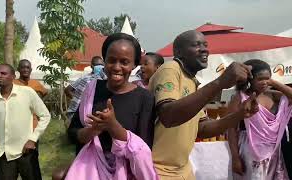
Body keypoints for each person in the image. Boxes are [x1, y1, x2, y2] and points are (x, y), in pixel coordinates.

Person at [148, 30, 259, 179]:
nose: (204, 49)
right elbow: (168, 116)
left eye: (205, 45)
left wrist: (239, 114)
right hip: (159, 169)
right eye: (196, 45)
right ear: (179, 52)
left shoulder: (192, 81)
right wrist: (221, 81)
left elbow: (202, 128)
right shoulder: (171, 69)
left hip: (183, 169)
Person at [64, 33, 157, 180]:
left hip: (127, 174)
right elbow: (72, 133)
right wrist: (93, 130)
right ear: (104, 61)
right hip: (89, 172)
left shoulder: (145, 98)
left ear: (134, 64)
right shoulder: (92, 90)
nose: (116, 67)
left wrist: (113, 126)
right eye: (111, 60)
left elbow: (143, 148)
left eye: (124, 62)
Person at [0, 64, 51, 180]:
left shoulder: (27, 92)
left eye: (3, 73)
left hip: (26, 151)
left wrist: (32, 139)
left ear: (13, 76)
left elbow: (45, 115)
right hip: (4, 152)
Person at [228, 59, 292, 180]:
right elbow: (231, 129)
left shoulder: (273, 95)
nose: (264, 82)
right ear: (250, 79)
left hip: (273, 151)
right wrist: (235, 157)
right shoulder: (240, 97)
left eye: (267, 78)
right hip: (249, 150)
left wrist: (274, 83)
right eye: (260, 79)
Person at [65, 56, 106, 125]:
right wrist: (78, 101)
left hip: (88, 112)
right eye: (97, 65)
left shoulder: (103, 79)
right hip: (76, 111)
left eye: (101, 65)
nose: (99, 67)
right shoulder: (85, 78)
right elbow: (67, 90)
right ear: (91, 66)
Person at [14, 59, 48, 131]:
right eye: (23, 67)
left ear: (31, 70)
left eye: (27, 67)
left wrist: (39, 105)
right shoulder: (12, 84)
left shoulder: (36, 83)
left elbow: (45, 93)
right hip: (16, 121)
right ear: (18, 69)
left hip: (33, 122)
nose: (25, 70)